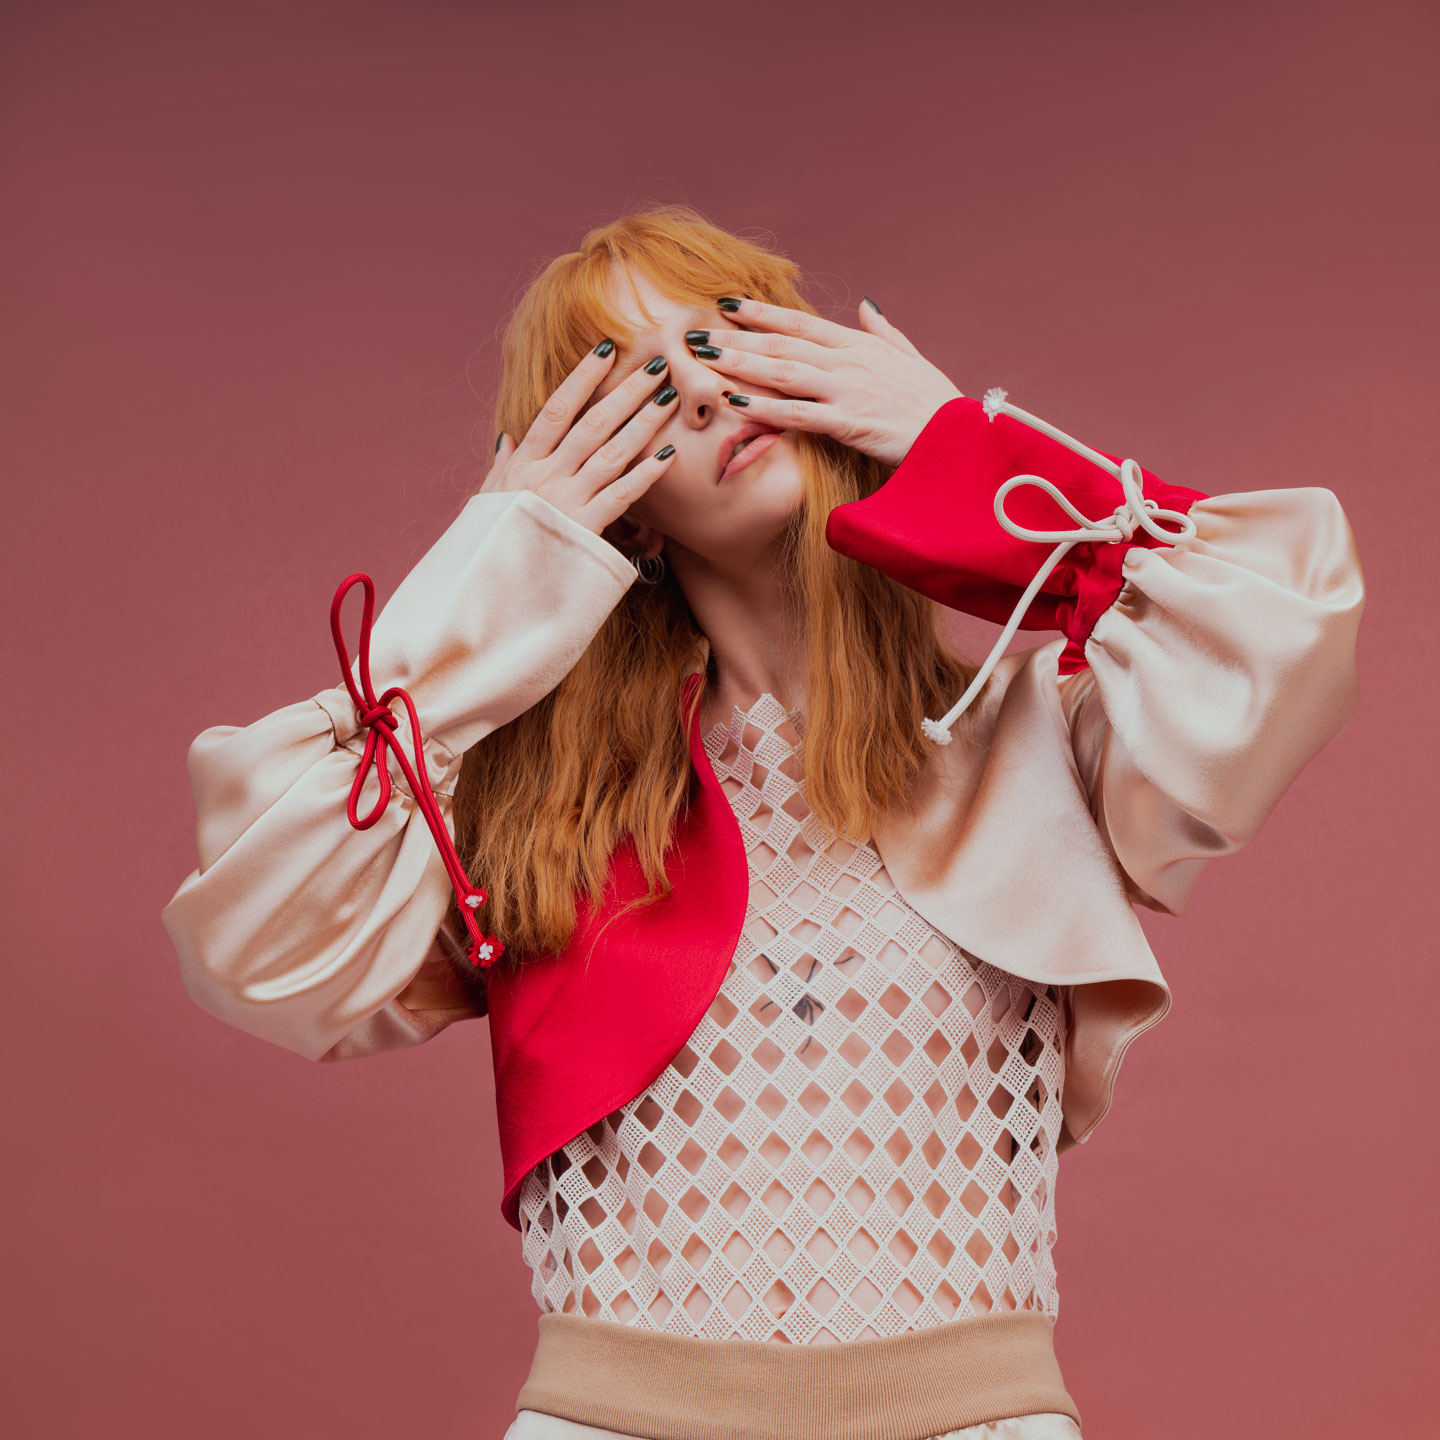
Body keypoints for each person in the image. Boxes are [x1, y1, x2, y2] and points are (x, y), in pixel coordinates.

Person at [161, 205, 1365, 1440]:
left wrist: (963, 446)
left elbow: (1286, 628)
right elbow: (260, 949)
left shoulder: (1037, 739)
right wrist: (496, 576)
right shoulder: (520, 810)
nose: (698, 392)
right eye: (638, 389)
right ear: (615, 505)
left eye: (717, 340)